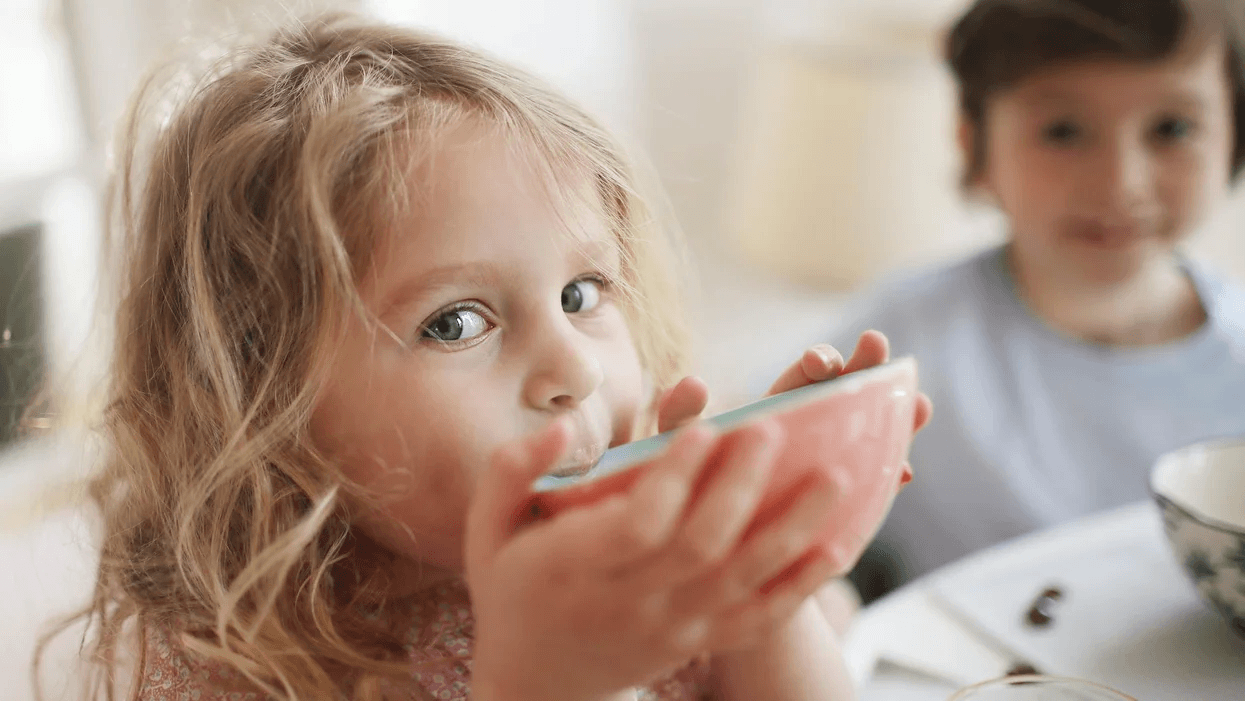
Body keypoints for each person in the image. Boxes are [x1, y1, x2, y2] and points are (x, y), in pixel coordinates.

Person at [51, 13, 929, 701]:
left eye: (582, 294)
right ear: (257, 400)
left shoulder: (641, 552)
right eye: (455, 323)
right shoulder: (237, 665)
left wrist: (757, 592)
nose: (574, 371)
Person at [807, 0, 1245, 600]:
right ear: (976, 147)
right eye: (1063, 132)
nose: (1121, 183)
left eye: (1172, 129)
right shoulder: (900, 333)